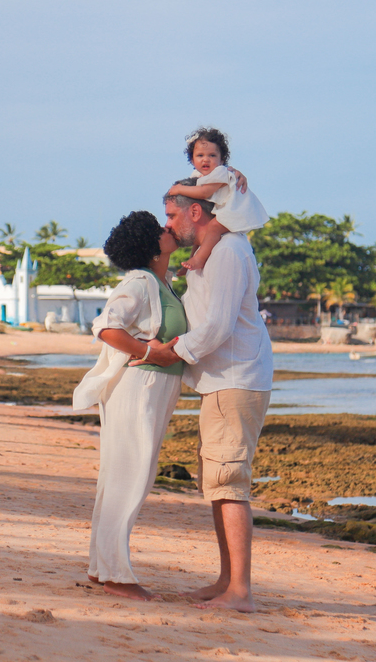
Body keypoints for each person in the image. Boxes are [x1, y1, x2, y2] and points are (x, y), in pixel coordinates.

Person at [139, 183, 273, 612]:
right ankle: (227, 580)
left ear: (195, 213)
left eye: (172, 216)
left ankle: (242, 592)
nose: (168, 224)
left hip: (235, 379)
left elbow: (217, 325)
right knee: (216, 483)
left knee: (229, 483)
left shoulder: (229, 252)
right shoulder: (212, 254)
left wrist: (169, 352)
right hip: (222, 380)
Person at [73, 210, 186, 602]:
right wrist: (146, 350)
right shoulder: (139, 282)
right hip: (138, 388)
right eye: (159, 229)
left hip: (153, 389)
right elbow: (105, 326)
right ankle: (117, 576)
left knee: (121, 478)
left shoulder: (162, 283)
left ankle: (101, 567)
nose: (167, 229)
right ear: (149, 245)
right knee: (129, 479)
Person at [166, 127, 268, 273]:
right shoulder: (198, 175)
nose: (206, 159)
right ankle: (193, 260)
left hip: (236, 211)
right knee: (200, 235)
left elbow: (203, 192)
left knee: (213, 227)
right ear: (192, 160)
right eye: (200, 155)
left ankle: (199, 259)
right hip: (223, 209)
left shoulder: (220, 172)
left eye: (212, 155)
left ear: (222, 159)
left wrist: (178, 189)